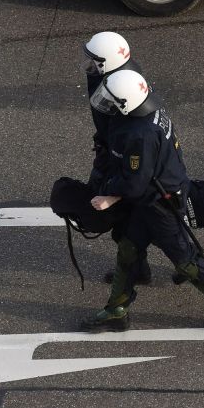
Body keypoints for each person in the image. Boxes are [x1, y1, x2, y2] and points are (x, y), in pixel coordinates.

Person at [82, 69, 204, 332]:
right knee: (129, 246)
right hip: (156, 198)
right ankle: (117, 309)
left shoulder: (139, 134)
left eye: (114, 100)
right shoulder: (151, 112)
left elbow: (135, 182)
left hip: (158, 205)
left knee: (186, 261)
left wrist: (109, 193)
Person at [82, 32, 157, 286]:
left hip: (122, 161)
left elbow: (121, 132)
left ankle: (135, 272)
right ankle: (138, 268)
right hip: (116, 154)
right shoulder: (122, 77)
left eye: (94, 61)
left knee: (128, 224)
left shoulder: (117, 87)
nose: (90, 66)